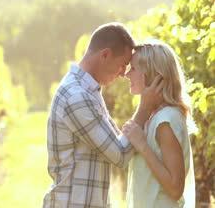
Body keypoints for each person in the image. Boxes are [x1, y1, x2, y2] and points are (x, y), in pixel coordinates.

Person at [43, 22, 162, 208]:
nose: (124, 73)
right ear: (105, 55)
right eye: (123, 64)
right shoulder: (77, 97)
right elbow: (120, 154)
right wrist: (145, 107)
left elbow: (117, 141)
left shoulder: (89, 91)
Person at [123, 40, 196, 208]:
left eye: (133, 68)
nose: (127, 74)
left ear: (152, 74)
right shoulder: (154, 117)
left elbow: (176, 188)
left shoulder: (166, 120)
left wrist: (142, 145)